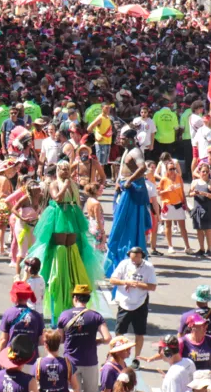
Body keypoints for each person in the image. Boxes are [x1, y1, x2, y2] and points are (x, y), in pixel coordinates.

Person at [27, 161, 106, 322]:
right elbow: (56, 197)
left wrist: (72, 189)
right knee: (59, 246)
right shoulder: (54, 183)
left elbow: (77, 201)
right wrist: (65, 186)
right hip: (58, 214)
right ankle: (58, 275)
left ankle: (72, 276)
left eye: (67, 169)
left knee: (74, 245)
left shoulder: (73, 184)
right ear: (57, 170)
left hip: (71, 214)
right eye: (62, 169)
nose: (65, 171)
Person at [57, 284, 110, 392]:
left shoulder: (64, 315)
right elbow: (107, 338)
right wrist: (97, 341)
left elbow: (59, 338)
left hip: (70, 362)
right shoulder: (95, 316)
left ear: (75, 298)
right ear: (87, 298)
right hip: (90, 361)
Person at [105, 129, 152, 275]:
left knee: (128, 225)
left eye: (123, 138)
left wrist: (129, 180)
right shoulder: (128, 150)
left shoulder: (136, 151)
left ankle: (131, 255)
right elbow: (123, 171)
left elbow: (142, 167)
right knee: (120, 224)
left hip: (133, 192)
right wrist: (119, 181)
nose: (120, 140)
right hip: (125, 189)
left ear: (131, 139)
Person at [108, 247, 157, 357]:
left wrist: (138, 284)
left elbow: (153, 286)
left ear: (142, 257)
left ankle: (137, 358)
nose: (134, 261)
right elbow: (112, 280)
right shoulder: (124, 264)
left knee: (139, 333)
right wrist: (126, 282)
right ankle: (117, 353)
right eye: (132, 259)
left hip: (140, 302)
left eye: (136, 259)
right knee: (119, 332)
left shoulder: (148, 267)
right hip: (124, 302)